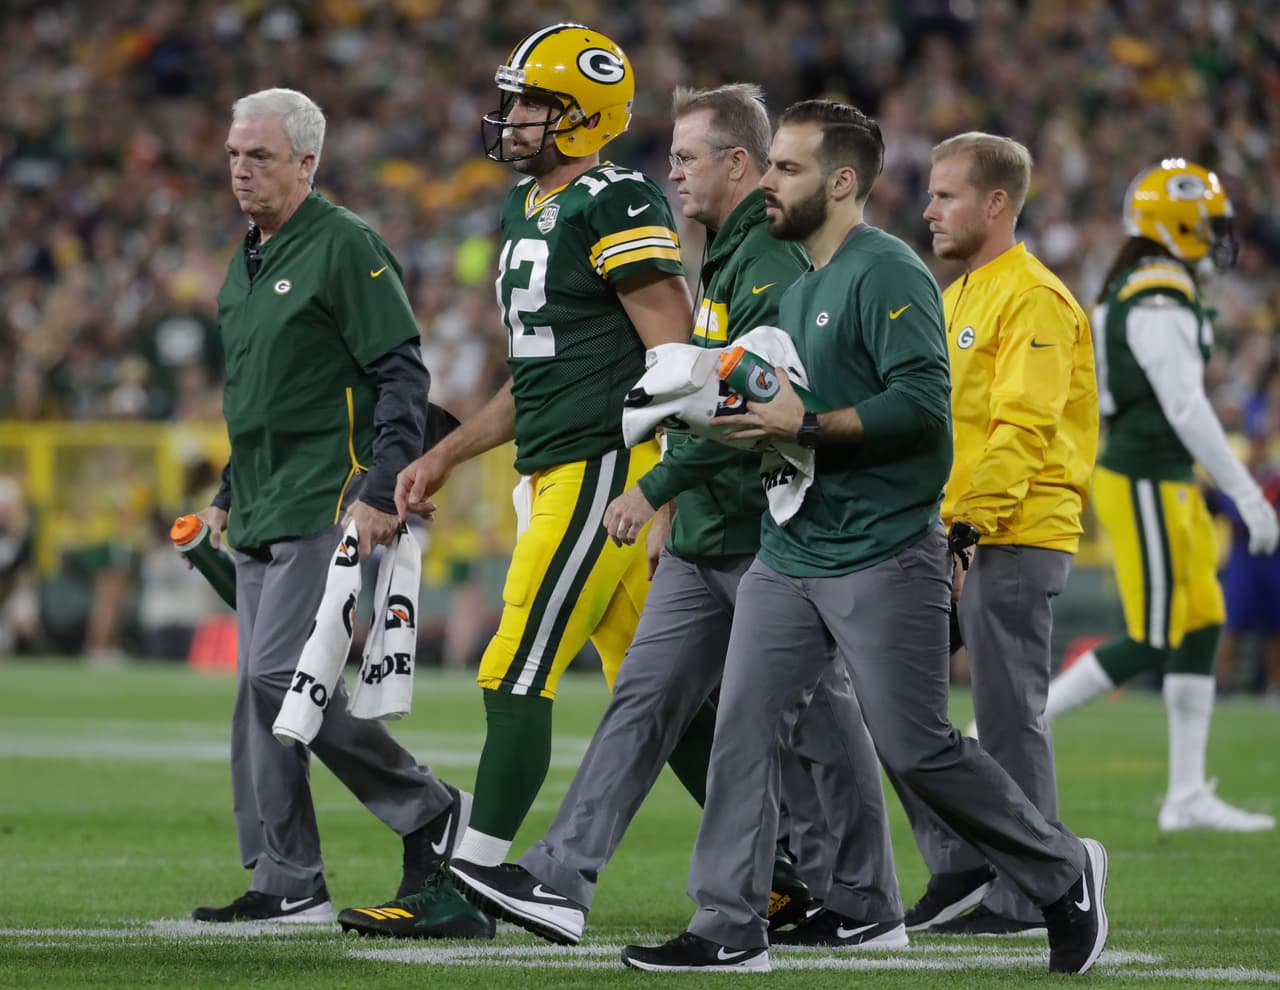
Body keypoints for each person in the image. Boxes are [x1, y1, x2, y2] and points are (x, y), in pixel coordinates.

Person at [619, 100, 1108, 976]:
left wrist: (801, 424)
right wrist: (738, 428)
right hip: (793, 549)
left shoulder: (888, 272)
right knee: (741, 727)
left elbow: (922, 410)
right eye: (769, 168)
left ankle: (1063, 869)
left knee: (917, 746)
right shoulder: (802, 286)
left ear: (842, 183)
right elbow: (788, 421)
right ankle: (727, 925)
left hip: (885, 548)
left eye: (788, 170)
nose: (767, 182)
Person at [447, 83, 904, 950]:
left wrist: (656, 488)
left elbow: (754, 409)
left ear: (739, 163)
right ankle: (559, 880)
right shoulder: (731, 258)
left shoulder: (766, 262)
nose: (672, 173)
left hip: (765, 530)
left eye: (688, 157)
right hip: (712, 529)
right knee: (650, 704)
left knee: (816, 724)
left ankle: (859, 899)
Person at [337, 24, 698, 936]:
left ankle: (470, 887)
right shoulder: (528, 207)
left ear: (587, 117)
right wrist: (445, 453)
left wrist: (667, 487)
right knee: (656, 695)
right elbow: (535, 376)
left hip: (606, 468)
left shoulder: (615, 200)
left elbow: (676, 356)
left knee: (514, 669)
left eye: (534, 103)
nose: (514, 119)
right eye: (516, 100)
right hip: (557, 462)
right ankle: (786, 865)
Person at [189, 87, 490, 936]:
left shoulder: (345, 245)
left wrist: (382, 484)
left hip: (331, 493)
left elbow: (403, 373)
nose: (242, 172)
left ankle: (430, 808)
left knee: (279, 678)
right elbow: (261, 396)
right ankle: (289, 879)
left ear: (307, 163)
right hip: (262, 498)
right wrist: (225, 491)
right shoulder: (245, 256)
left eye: (262, 157)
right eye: (234, 155)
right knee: (258, 700)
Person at [894, 132, 1099, 936]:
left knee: (1009, 712)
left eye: (945, 195)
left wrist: (967, 528)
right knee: (894, 705)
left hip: (1010, 533)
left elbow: (1024, 425)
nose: (929, 209)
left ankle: (1033, 890)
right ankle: (965, 866)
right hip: (948, 529)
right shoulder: (956, 296)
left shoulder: (1035, 298)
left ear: (997, 203)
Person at [1044, 159, 1279, 832]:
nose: (1217, 237)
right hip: (1144, 471)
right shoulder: (1156, 290)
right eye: (1205, 224)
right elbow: (1183, 404)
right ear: (1174, 224)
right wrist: (1246, 492)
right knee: (1152, 635)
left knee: (1202, 619)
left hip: (1167, 475)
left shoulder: (1155, 282)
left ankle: (1184, 793)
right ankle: (1012, 730)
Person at [1203, 423, 1280, 699]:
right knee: (1233, 623)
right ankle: (1223, 683)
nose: (1258, 447)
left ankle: (1273, 685)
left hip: (1272, 557)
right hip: (1242, 556)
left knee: (1274, 627)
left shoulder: (1273, 478)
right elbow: (1225, 509)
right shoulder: (1240, 477)